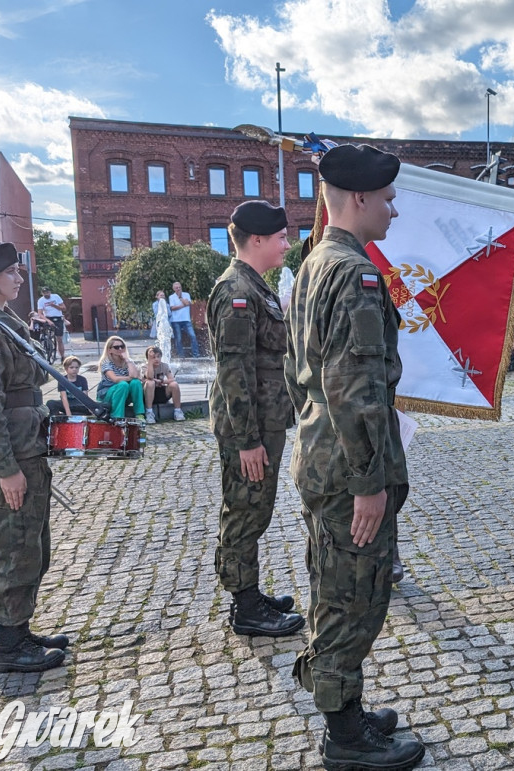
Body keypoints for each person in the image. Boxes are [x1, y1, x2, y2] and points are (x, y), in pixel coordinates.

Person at [285, 144, 425, 771]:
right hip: (350, 468)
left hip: (320, 454)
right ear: (361, 199)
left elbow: (299, 374)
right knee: (357, 596)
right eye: (389, 200)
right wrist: (370, 480)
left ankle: (341, 698)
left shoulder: (316, 262)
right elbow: (355, 387)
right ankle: (345, 736)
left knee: (332, 584)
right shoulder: (356, 272)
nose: (394, 211)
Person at [206, 200, 304, 638]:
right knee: (245, 510)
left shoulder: (255, 286)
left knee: (256, 508)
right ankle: (245, 607)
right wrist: (248, 440)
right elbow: (234, 371)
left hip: (266, 419)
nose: (287, 244)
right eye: (281, 237)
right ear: (258, 240)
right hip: (249, 426)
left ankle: (249, 593)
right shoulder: (236, 293)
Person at [0, 242, 68, 673]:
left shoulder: (4, 321)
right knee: (13, 548)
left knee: (33, 546)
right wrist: (6, 470)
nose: (19, 278)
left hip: (27, 449)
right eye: (11, 272)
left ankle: (21, 628)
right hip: (8, 460)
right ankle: (9, 648)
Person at [96, 337, 145, 419]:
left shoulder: (128, 361)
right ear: (109, 350)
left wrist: (127, 360)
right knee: (123, 384)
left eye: (122, 346)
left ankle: (139, 414)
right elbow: (115, 379)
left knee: (136, 382)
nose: (120, 349)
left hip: (124, 394)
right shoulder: (106, 362)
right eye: (116, 347)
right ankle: (117, 416)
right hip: (108, 393)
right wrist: (130, 377)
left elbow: (135, 376)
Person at [141, 345, 184, 423]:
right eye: (153, 357)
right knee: (150, 383)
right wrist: (150, 363)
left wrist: (162, 382)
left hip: (161, 392)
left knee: (174, 384)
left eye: (158, 356)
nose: (156, 359)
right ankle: (149, 412)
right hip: (148, 395)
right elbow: (150, 377)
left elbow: (172, 379)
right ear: (148, 359)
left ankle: (178, 411)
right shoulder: (144, 367)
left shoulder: (164, 366)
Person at [169, 280, 200, 357]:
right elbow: (172, 308)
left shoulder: (186, 294)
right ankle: (181, 355)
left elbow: (188, 303)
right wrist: (183, 305)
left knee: (193, 336)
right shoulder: (171, 297)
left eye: (179, 287)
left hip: (186, 320)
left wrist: (180, 298)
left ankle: (195, 354)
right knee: (178, 339)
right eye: (176, 288)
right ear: (173, 289)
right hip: (176, 321)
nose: (178, 289)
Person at [37, 285, 67, 361]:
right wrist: (48, 320)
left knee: (59, 338)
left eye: (47, 292)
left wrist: (54, 305)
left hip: (58, 317)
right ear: (42, 293)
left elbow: (64, 308)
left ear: (50, 292)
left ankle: (62, 356)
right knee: (46, 333)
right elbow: (40, 313)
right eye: (44, 293)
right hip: (48, 318)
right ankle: (48, 347)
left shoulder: (56, 297)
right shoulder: (41, 300)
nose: (46, 294)